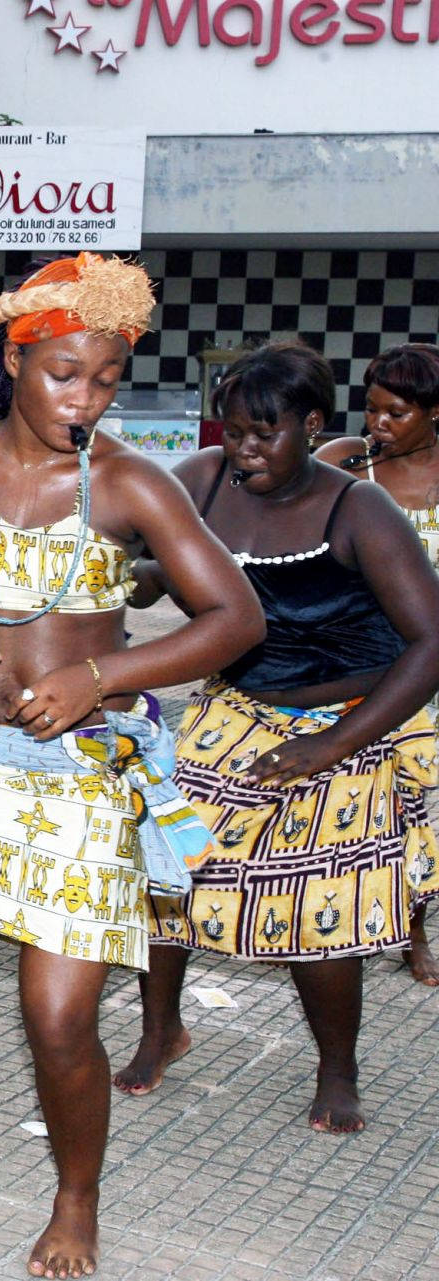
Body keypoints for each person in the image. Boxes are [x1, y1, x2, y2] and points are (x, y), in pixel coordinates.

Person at [0, 253, 263, 1277]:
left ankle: (77, 1204)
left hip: (81, 775)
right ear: (15, 359)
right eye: (66, 373)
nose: (87, 398)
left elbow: (235, 618)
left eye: (107, 379)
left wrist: (103, 673)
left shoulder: (127, 481)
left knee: (62, 1020)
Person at [117, 342, 439, 1137]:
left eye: (266, 433)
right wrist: (140, 569)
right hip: (234, 705)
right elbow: (145, 558)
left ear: (313, 425)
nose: (246, 449)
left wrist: (327, 748)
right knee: (169, 866)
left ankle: (338, 1066)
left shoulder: (358, 508)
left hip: (347, 716)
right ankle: (162, 1028)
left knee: (315, 899)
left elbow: (430, 644)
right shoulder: (199, 481)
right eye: (233, 432)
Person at [315, 343, 439, 985]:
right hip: (357, 661)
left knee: (416, 804)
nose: (378, 425)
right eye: (371, 409)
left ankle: (413, 922)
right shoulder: (345, 464)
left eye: (396, 413)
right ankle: (388, 925)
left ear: (433, 413)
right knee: (377, 802)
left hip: (429, 662)